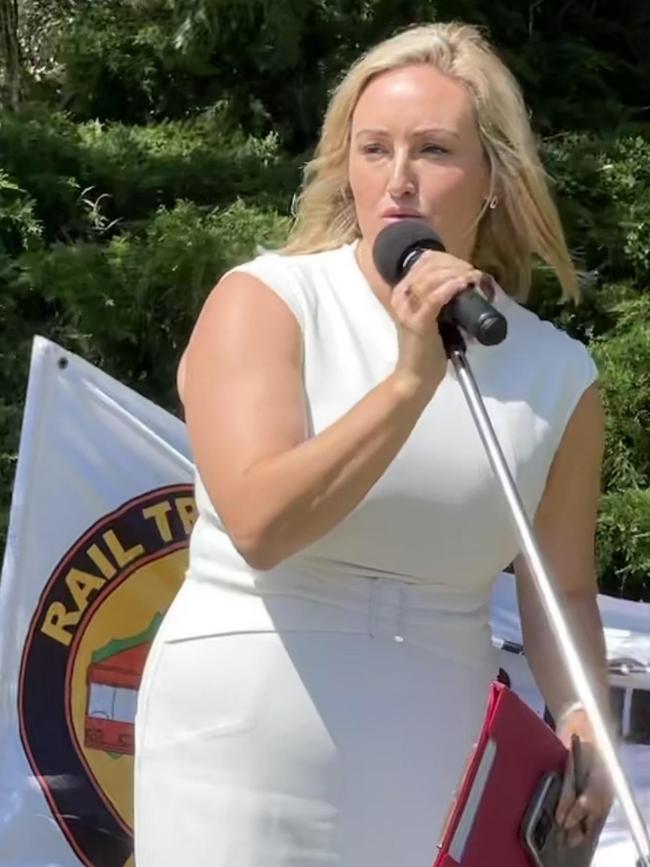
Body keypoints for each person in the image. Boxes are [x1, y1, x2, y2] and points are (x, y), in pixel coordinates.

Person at [134, 21, 614, 867]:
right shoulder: (266, 300)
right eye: (372, 149)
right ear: (343, 166)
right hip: (247, 724)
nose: (397, 180)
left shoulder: (557, 371)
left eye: (432, 150)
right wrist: (408, 384)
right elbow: (261, 523)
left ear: (495, 178)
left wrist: (582, 715)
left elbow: (562, 589)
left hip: (439, 737)